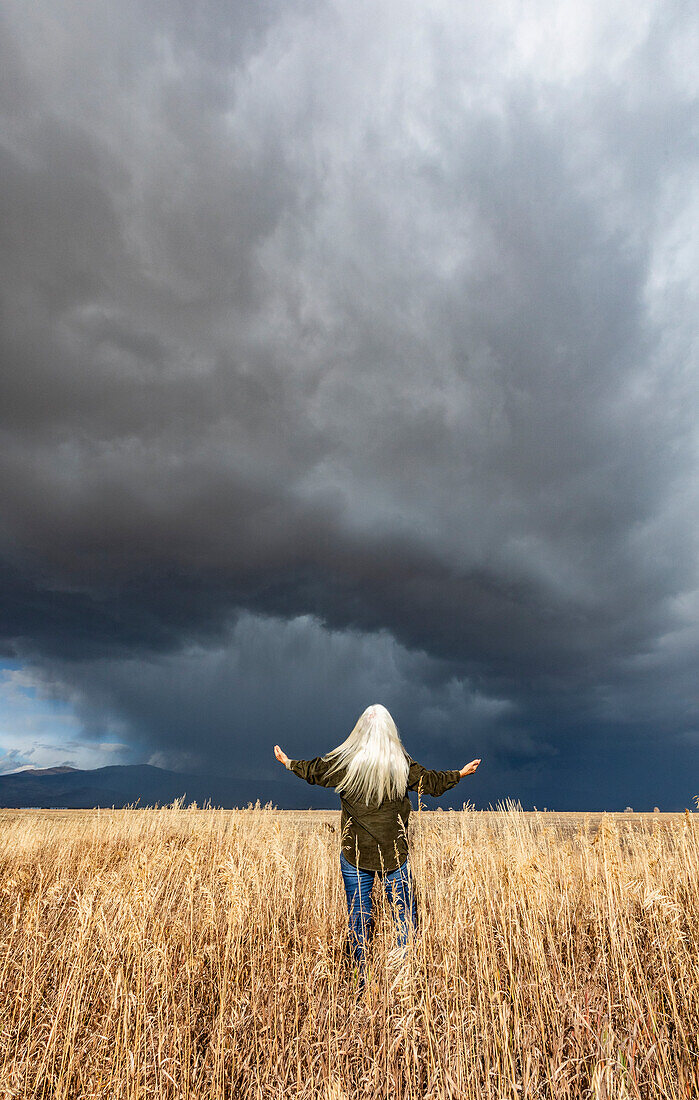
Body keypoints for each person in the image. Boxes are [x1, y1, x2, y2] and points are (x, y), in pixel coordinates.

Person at [273, 703, 481, 992]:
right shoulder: (401, 764)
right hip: (394, 856)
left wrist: (289, 763)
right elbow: (430, 783)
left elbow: (315, 771)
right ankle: (403, 978)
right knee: (404, 918)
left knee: (358, 916)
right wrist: (459, 774)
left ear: (360, 730)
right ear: (390, 732)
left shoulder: (346, 763)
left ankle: (362, 980)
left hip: (354, 855)